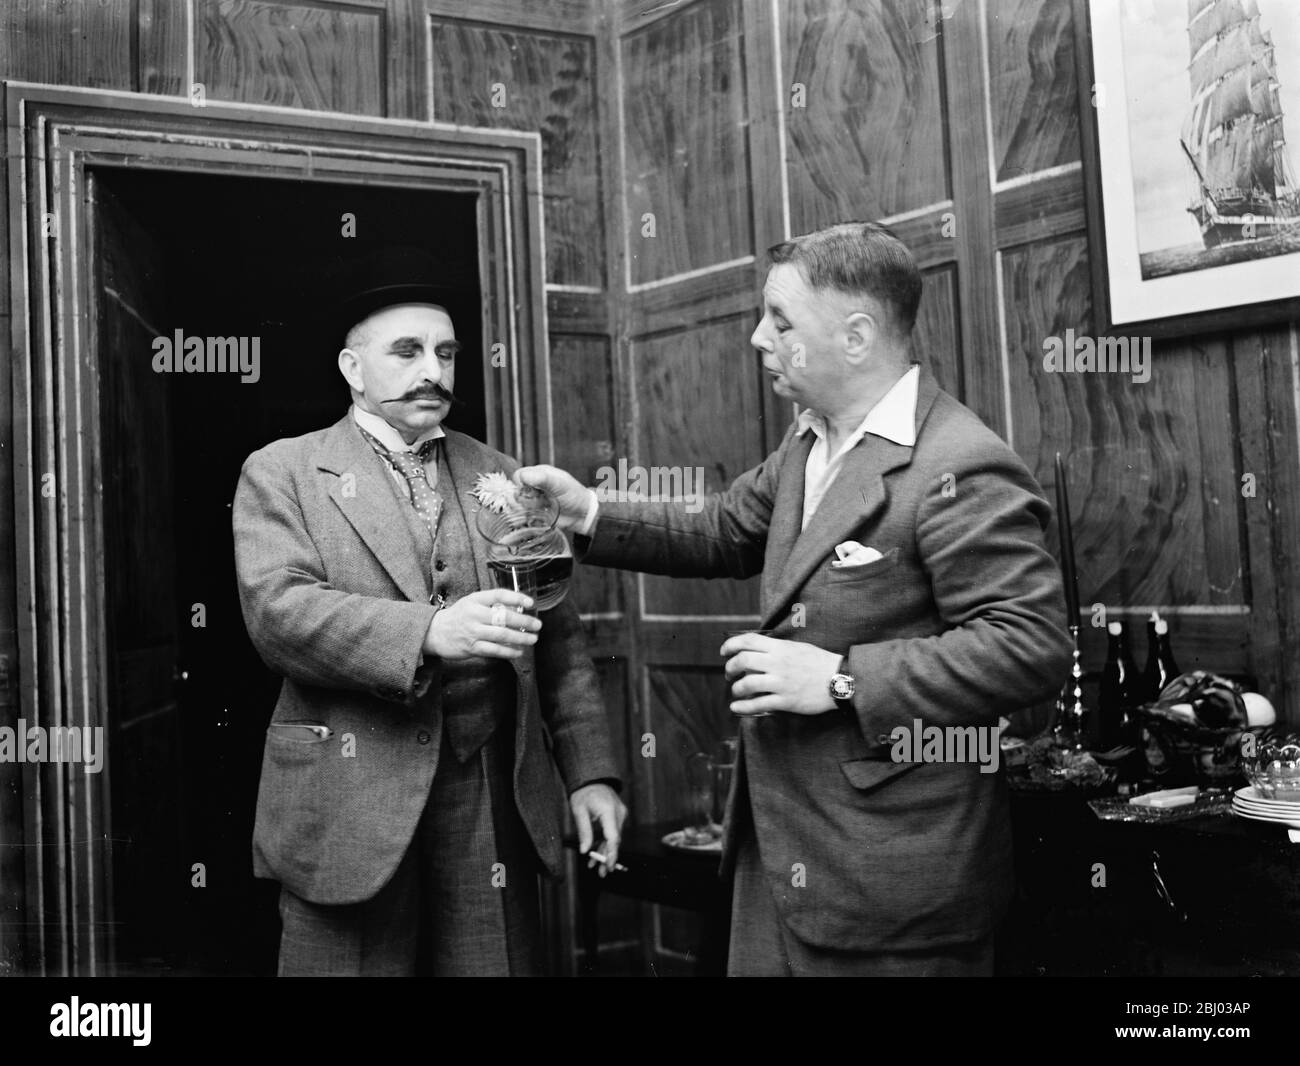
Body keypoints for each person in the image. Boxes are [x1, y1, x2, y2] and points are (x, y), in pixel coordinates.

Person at [518, 222, 1073, 976]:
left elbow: (1028, 647)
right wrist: (587, 511)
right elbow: (719, 527)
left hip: (890, 892)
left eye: (780, 321)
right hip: (774, 867)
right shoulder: (812, 440)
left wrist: (842, 679)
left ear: (856, 336)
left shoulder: (960, 464)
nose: (757, 338)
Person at [232, 249, 625, 976]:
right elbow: (278, 613)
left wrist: (592, 774)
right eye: (407, 352)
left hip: (486, 801)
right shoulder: (282, 470)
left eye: (445, 353)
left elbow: (559, 638)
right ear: (352, 368)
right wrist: (429, 632)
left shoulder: (501, 472)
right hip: (346, 798)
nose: (434, 372)